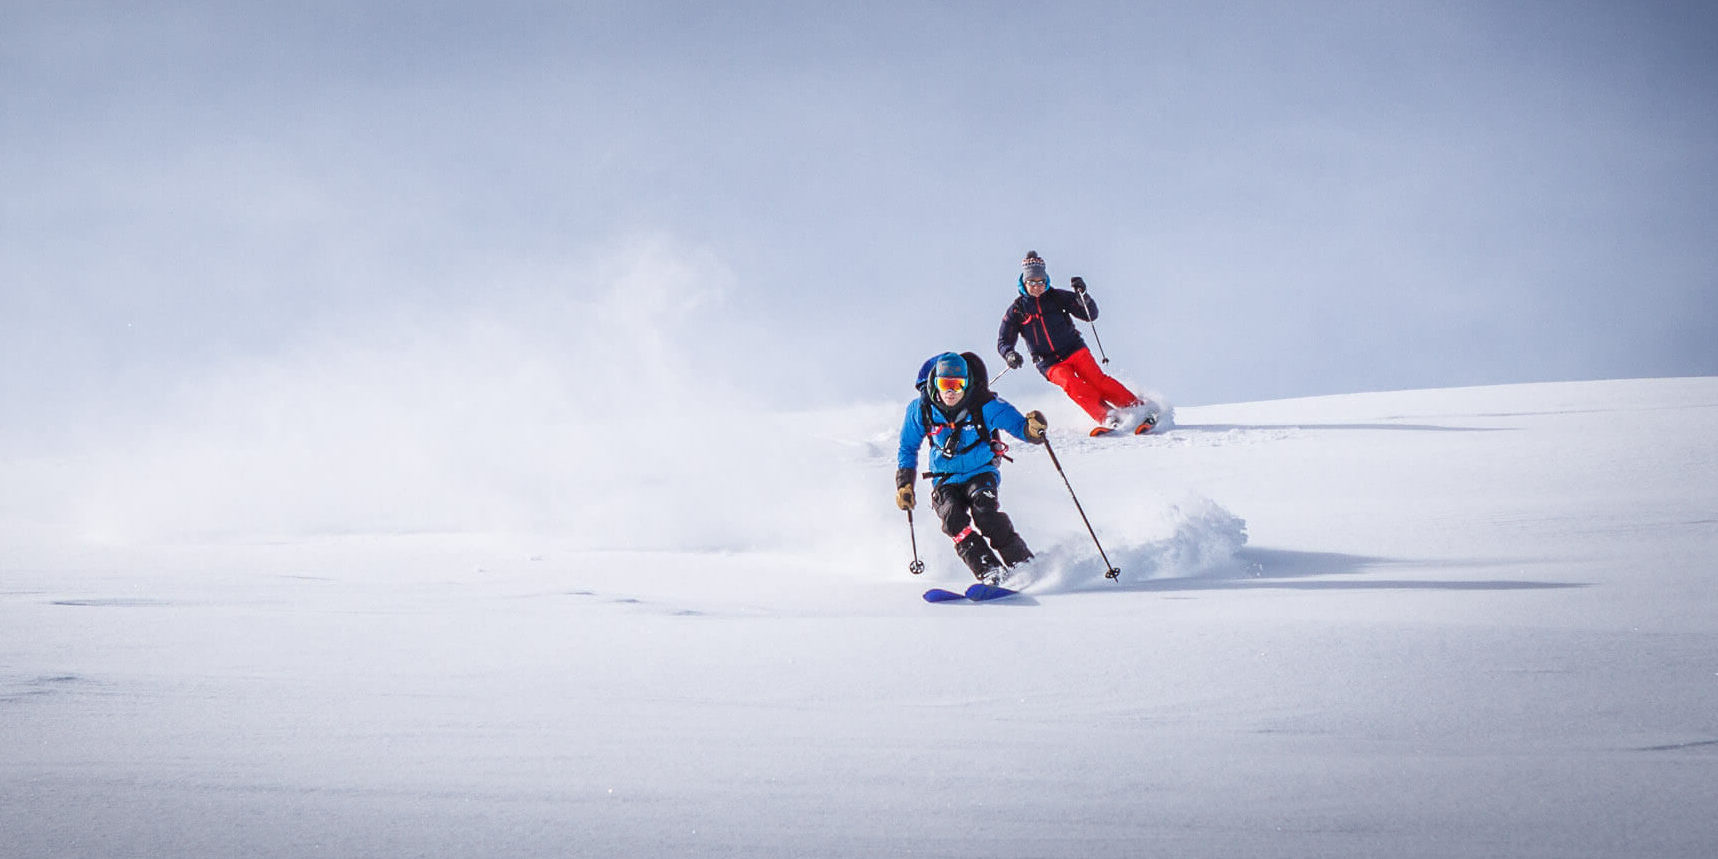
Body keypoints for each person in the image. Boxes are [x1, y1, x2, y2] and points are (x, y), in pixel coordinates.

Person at [895, 351, 1048, 582]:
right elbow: (907, 447)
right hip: (945, 477)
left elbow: (1019, 426)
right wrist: (904, 484)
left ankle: (1024, 565)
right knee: (953, 520)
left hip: (981, 471)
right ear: (934, 382)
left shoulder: (985, 404)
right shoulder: (920, 410)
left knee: (986, 514)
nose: (950, 392)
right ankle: (989, 571)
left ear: (967, 384)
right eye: (945, 384)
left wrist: (1033, 430)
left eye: (957, 386)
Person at [997, 250, 1158, 436]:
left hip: (1073, 348)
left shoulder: (1057, 297)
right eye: (1032, 282)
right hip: (1048, 361)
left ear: (1046, 280)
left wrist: (1083, 297)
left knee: (1096, 380)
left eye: (1041, 282)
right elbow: (1003, 340)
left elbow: (1090, 315)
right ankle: (1108, 417)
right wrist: (1010, 354)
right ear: (1024, 283)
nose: (1037, 286)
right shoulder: (1017, 310)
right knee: (1072, 384)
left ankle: (1137, 408)